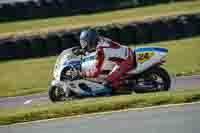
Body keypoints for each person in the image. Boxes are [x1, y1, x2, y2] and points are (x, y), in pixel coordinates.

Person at [77, 29, 136, 94]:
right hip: (124, 53)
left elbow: (96, 73)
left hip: (126, 60)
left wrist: (83, 74)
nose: (83, 46)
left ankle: (126, 89)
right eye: (82, 43)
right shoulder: (100, 40)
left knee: (106, 84)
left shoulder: (100, 51)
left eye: (84, 43)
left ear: (91, 41)